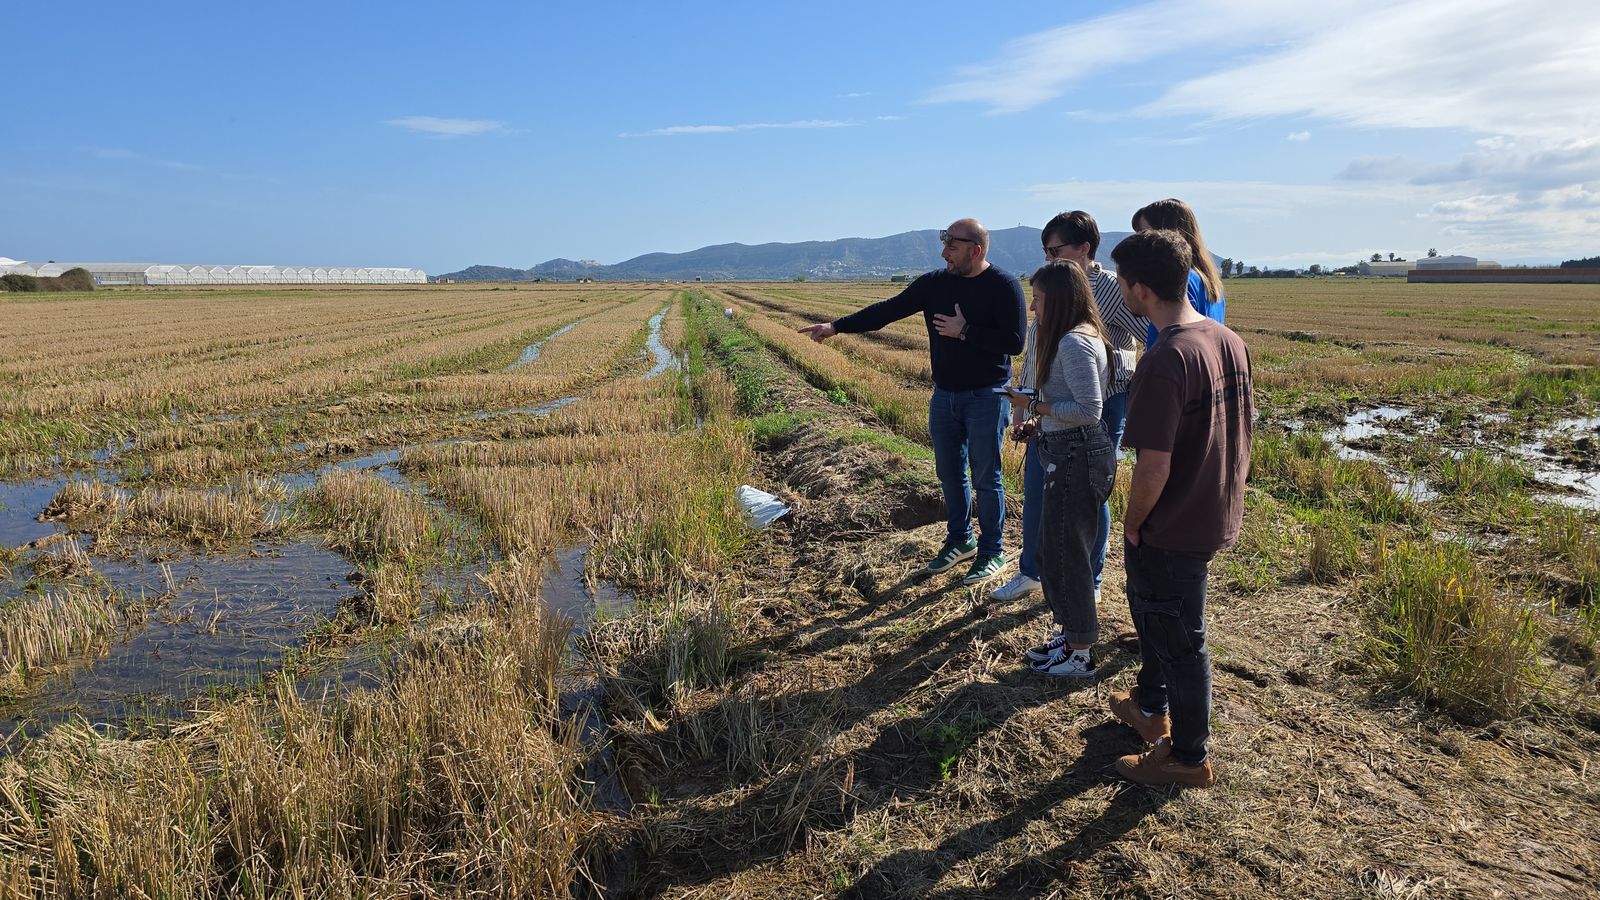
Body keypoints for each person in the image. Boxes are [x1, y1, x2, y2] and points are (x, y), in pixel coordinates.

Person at [799, 219, 1026, 584]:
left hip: (987, 395)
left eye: (952, 245)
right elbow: (888, 310)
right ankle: (960, 540)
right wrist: (836, 326)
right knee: (949, 473)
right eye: (945, 244)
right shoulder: (934, 283)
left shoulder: (1003, 286)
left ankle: (992, 551)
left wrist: (965, 331)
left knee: (987, 477)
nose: (944, 252)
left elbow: (1015, 342)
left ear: (975, 249)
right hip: (945, 396)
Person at [1106, 229, 1253, 789]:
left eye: (1120, 281)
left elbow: (1153, 466)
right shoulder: (1224, 337)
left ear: (1138, 290)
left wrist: (1135, 522)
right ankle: (1149, 709)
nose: (1118, 289)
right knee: (1167, 625)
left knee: (1181, 639)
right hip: (1212, 510)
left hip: (1172, 524)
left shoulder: (1165, 358)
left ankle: (1188, 756)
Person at [992, 211, 1147, 610]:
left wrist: (1107, 362)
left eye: (1056, 249)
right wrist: (1026, 411)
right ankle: (1032, 570)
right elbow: (1034, 353)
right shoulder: (1051, 288)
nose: (1050, 258)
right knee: (1038, 483)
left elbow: (1145, 335)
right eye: (1045, 251)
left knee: (1090, 491)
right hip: (1052, 400)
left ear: (1084, 248)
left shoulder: (1110, 289)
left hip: (1101, 402)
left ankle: (1089, 577)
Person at [1001, 261, 1115, 677]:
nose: (1032, 308)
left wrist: (1032, 406)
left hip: (1077, 457)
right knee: (1054, 551)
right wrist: (1039, 423)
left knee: (1068, 557)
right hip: (1065, 451)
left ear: (1061, 301)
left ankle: (1081, 651)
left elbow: (1088, 410)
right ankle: (1069, 634)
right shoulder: (1074, 337)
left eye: (1038, 299)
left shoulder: (1073, 343)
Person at [1131, 199, 1225, 348]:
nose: (1138, 244)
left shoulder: (1181, 282)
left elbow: (1171, 346)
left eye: (1145, 235)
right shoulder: (1209, 281)